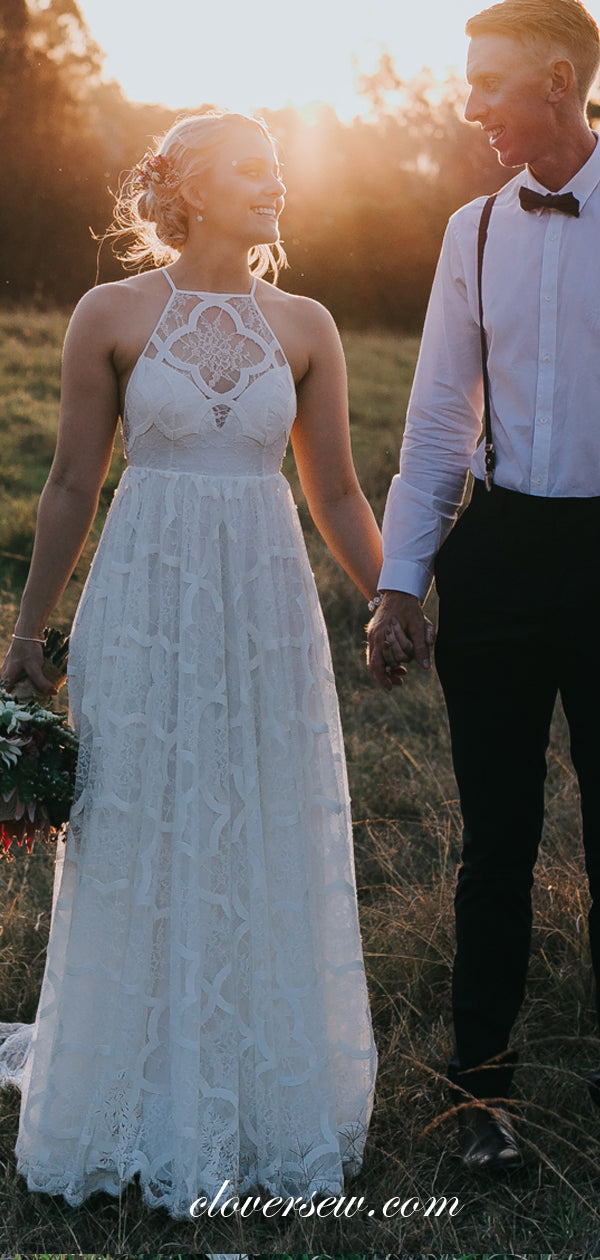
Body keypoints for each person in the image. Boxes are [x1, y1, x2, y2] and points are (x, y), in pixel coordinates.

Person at [0, 110, 379, 1218]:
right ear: (191, 188)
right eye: (254, 170)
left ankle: (257, 1099)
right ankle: (128, 1088)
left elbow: (341, 490)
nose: (276, 187)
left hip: (263, 606)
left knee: (258, 819)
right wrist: (27, 633)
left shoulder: (305, 323)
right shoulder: (110, 313)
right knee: (136, 824)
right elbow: (71, 483)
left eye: (278, 170)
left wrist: (393, 596)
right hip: (145, 600)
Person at [367, 0, 600, 1174]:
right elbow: (436, 420)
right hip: (501, 562)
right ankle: (481, 1098)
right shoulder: (469, 233)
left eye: (491, 84)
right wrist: (400, 584)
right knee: (494, 837)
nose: (471, 109)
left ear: (559, 80)